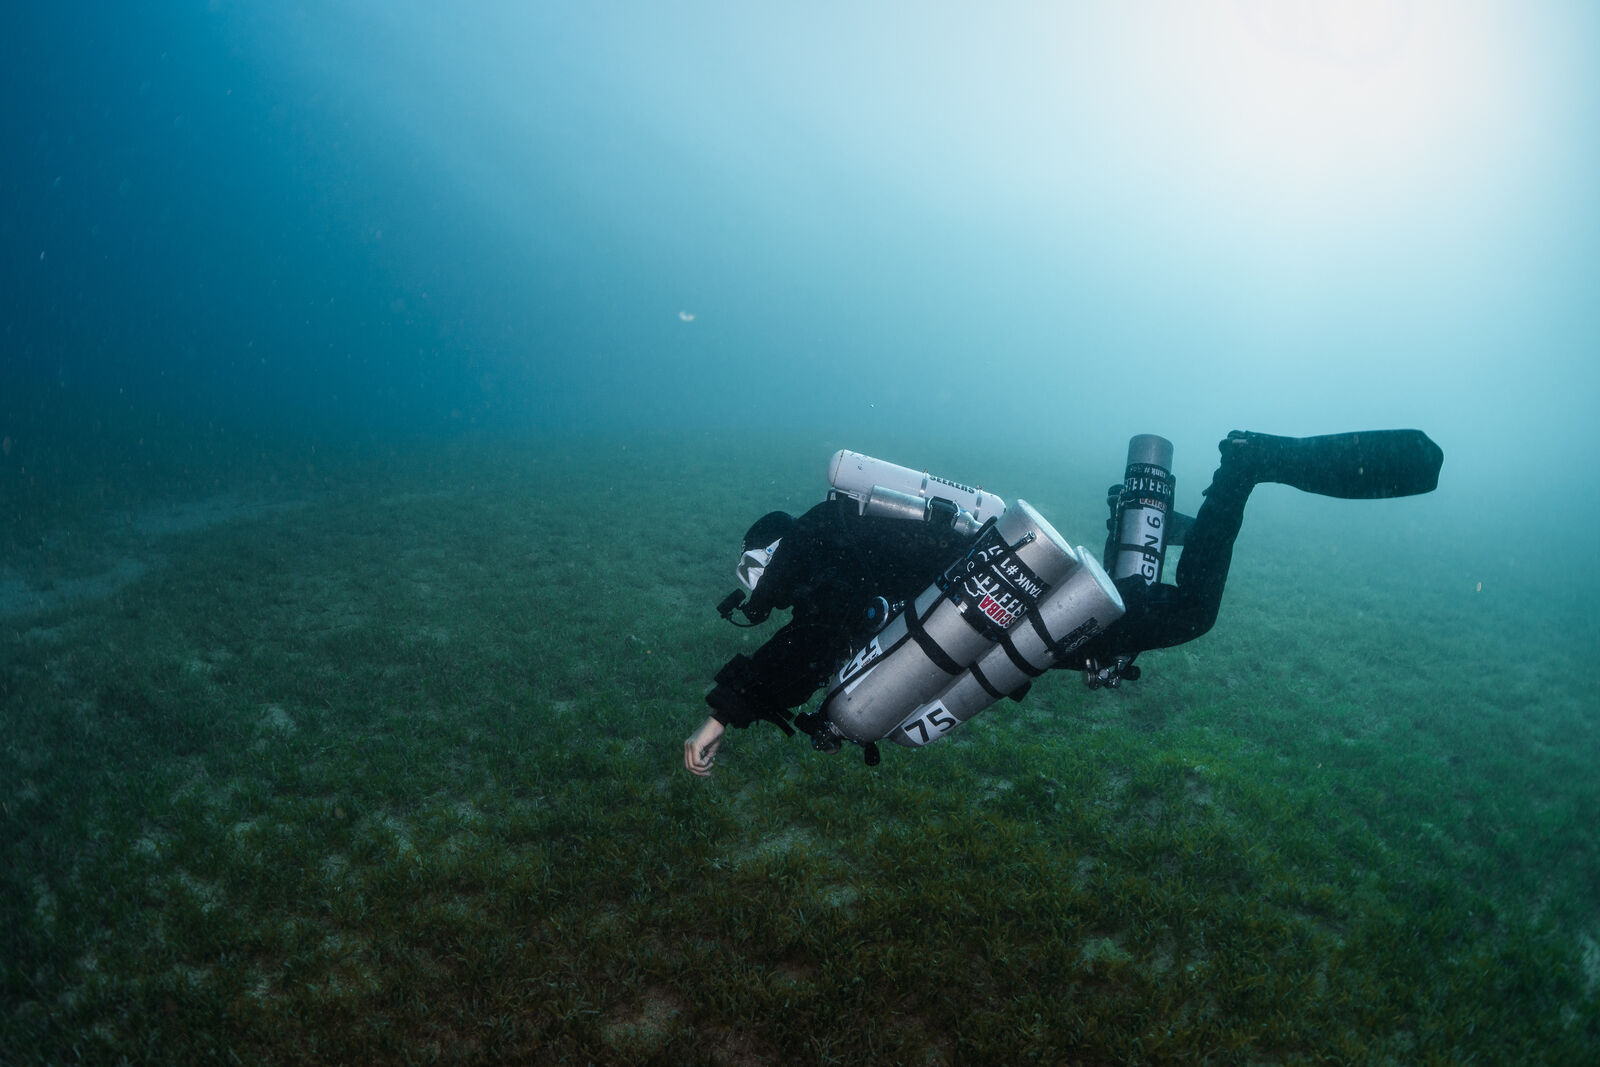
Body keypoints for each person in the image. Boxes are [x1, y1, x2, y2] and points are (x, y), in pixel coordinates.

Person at [683, 429, 1443, 777]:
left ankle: (1243, 467)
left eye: (758, 583)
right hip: (1015, 592)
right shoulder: (842, 535)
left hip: (1018, 599)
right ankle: (1161, 516)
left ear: (774, 558)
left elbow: (809, 646)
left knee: (1184, 614)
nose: (761, 598)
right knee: (1144, 607)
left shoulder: (829, 563)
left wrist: (723, 712)